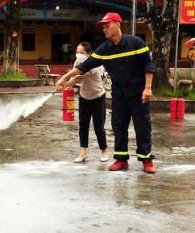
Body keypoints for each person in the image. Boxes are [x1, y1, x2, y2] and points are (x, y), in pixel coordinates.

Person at [55, 12, 157, 174]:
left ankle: (146, 159)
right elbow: (85, 65)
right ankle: (121, 160)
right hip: (119, 94)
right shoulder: (104, 49)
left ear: (118, 24)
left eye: (107, 25)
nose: (104, 29)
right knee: (119, 126)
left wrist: (148, 87)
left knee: (142, 125)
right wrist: (65, 77)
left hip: (138, 93)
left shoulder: (136, 43)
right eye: (103, 26)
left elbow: (148, 66)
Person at [65, 42, 108, 163]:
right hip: (84, 97)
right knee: (83, 126)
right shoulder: (77, 63)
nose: (79, 55)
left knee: (98, 126)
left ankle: (104, 150)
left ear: (89, 54)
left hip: (98, 98)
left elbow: (79, 78)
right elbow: (74, 76)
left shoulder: (95, 65)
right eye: (77, 52)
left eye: (82, 53)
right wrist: (64, 84)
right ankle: (83, 152)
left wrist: (64, 83)